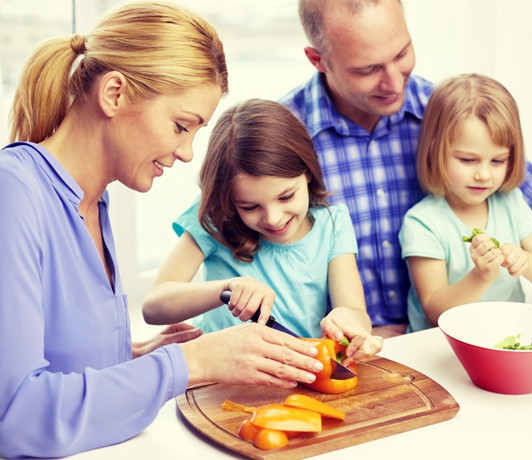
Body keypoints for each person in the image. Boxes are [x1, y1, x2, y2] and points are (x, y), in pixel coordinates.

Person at [0, 3, 325, 458]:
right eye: (180, 125)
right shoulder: (13, 192)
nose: (188, 153)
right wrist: (189, 363)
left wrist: (137, 355)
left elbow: (58, 359)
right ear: (114, 94)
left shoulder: (93, 202)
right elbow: (16, 416)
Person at [280, 0, 532, 336]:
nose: (395, 83)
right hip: (341, 347)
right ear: (318, 60)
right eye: (368, 69)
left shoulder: (449, 114)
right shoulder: (283, 136)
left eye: (402, 54)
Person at [142, 98, 383, 358]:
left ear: (308, 172)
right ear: (230, 201)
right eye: (249, 207)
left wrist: (348, 318)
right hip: (220, 373)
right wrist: (226, 288)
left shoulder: (332, 224)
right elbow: (154, 306)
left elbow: (356, 311)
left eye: (286, 197)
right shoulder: (215, 219)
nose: (273, 218)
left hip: (296, 371)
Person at [398, 74, 532, 331]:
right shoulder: (423, 222)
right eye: (468, 160)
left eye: (498, 161)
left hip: (506, 339)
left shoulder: (510, 203)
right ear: (435, 152)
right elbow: (435, 311)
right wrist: (480, 276)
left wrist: (527, 262)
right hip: (438, 349)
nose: (484, 175)